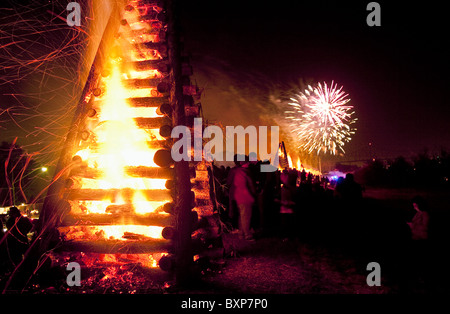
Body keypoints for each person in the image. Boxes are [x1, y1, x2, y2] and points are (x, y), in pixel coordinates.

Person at [228, 155, 256, 241]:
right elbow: (250, 184)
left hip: (238, 196)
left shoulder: (235, 171)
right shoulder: (244, 171)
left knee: (242, 216)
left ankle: (241, 233)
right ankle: (247, 235)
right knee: (246, 216)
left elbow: (229, 182)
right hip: (245, 196)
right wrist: (254, 192)